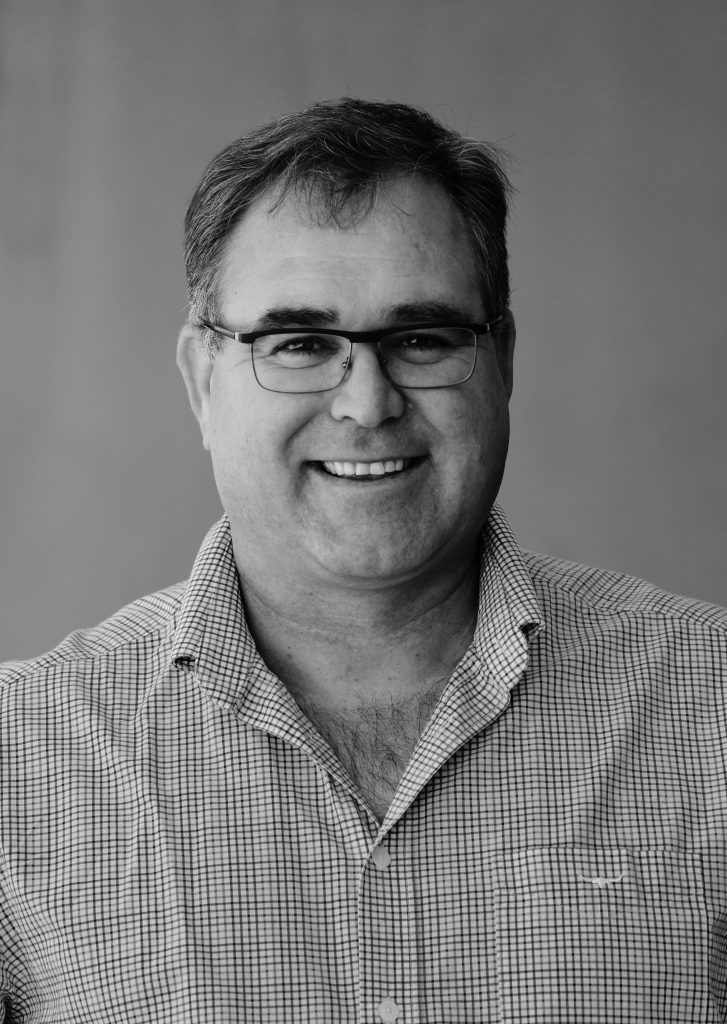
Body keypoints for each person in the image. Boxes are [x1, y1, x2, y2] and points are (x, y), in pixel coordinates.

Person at [1, 98, 725, 1024]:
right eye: (300, 343)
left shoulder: (712, 709)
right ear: (201, 379)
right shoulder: (19, 761)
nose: (367, 403)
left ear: (501, 361)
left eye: (420, 338)